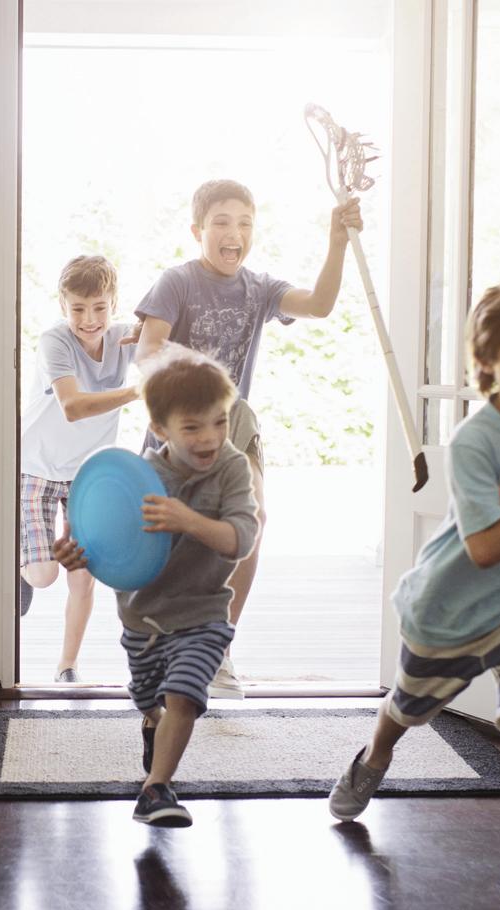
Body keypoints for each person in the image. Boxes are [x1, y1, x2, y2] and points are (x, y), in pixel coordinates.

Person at [328, 282, 500, 904]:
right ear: (486, 362)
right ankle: (373, 757)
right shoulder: (477, 441)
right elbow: (485, 547)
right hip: (448, 610)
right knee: (408, 710)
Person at [133, 179, 362, 698]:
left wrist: (338, 241)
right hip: (177, 418)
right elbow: (147, 350)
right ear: (198, 230)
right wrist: (178, 398)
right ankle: (163, 643)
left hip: (234, 419)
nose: (233, 233)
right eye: (221, 222)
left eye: (244, 223)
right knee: (169, 538)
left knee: (251, 517)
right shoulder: (177, 281)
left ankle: (217, 647)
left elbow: (320, 304)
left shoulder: (259, 288)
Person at [53, 347, 259, 826]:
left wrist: (188, 520)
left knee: (184, 694)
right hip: (143, 617)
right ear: (161, 430)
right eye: (193, 427)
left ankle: (156, 790)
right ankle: (151, 721)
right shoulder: (138, 480)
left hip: (204, 612)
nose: (210, 437)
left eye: (220, 422)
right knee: (153, 700)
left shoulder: (231, 469)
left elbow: (242, 539)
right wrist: (75, 555)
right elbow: (107, 548)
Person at [20, 255, 139, 683]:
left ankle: (67, 665)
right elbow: (72, 407)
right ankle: (19, 564)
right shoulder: (55, 341)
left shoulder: (126, 338)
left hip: (86, 475)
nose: (89, 320)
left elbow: (167, 343)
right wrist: (134, 392)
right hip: (34, 466)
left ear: (114, 303)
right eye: (78, 309)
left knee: (83, 577)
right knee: (44, 575)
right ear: (63, 304)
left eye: (100, 308)